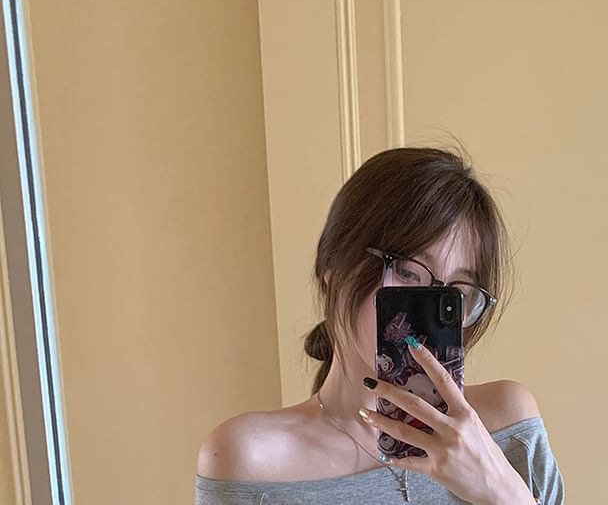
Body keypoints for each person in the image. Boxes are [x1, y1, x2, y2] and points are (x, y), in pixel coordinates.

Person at [195, 147, 565, 504]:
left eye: (455, 292)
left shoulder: (506, 423)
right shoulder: (249, 460)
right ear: (334, 270)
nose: (426, 312)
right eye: (407, 271)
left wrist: (503, 494)